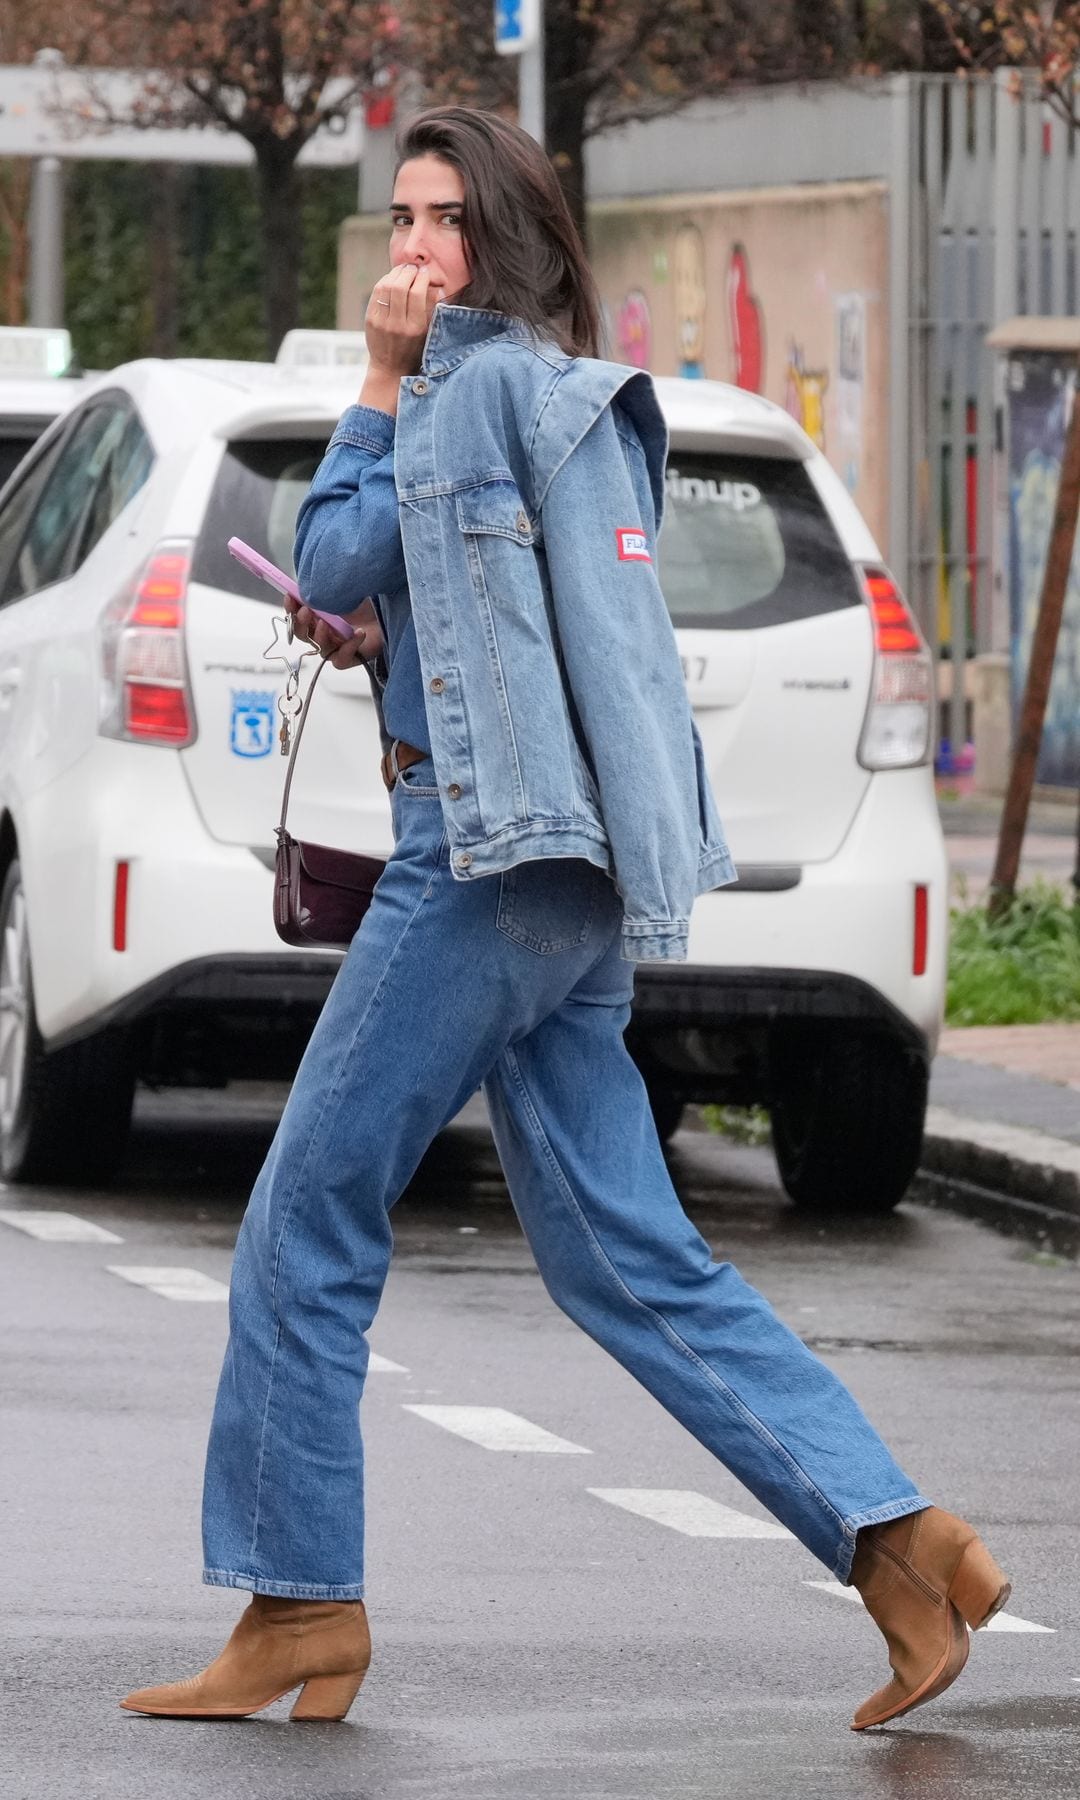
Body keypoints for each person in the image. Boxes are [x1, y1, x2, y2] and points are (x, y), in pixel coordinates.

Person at [120, 106, 1009, 1733]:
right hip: (568, 881)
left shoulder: (461, 394)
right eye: (400, 216)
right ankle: (901, 1544)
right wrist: (397, 646)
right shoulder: (573, 395)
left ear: (505, 235)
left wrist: (376, 380)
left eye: (441, 219)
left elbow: (335, 545)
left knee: (305, 1219)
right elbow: (542, 626)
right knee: (629, 1259)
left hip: (477, 867)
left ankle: (298, 1602)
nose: (411, 248)